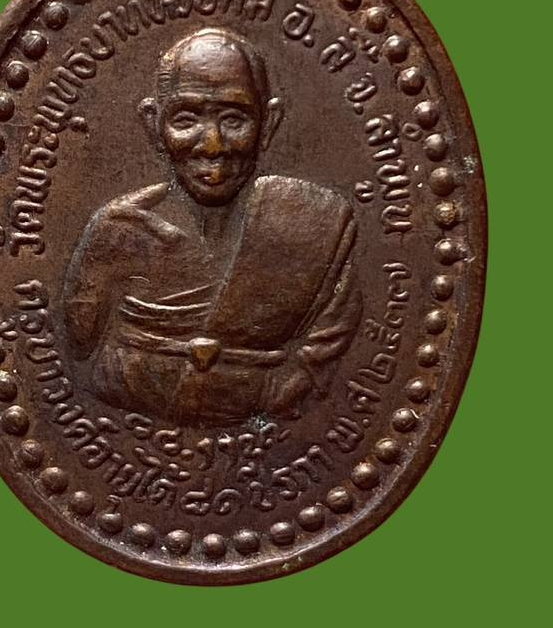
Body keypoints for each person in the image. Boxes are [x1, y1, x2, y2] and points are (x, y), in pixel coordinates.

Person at [62, 27, 361, 424]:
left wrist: (276, 390)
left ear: (268, 125)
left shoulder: (316, 222)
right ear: (154, 124)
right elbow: (76, 348)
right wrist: (99, 253)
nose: (213, 145)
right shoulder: (120, 228)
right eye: (186, 119)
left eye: (234, 119)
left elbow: (324, 350)